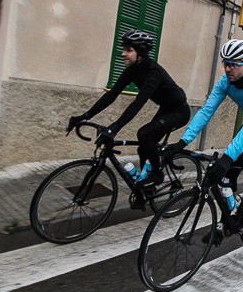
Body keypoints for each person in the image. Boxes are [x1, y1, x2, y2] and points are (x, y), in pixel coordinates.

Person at [163, 39, 243, 225]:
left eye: (233, 65)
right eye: (225, 64)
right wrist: (182, 142)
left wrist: (228, 158)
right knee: (228, 175)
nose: (227, 69)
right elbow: (206, 111)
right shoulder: (225, 82)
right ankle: (229, 217)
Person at [66, 29, 190, 187]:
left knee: (144, 134)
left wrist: (115, 127)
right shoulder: (132, 70)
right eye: (124, 49)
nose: (123, 53)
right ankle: (146, 185)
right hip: (165, 108)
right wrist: (85, 116)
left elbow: (139, 102)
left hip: (179, 111)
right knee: (143, 148)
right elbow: (112, 95)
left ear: (141, 53)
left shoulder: (154, 72)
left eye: (129, 50)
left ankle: (157, 175)